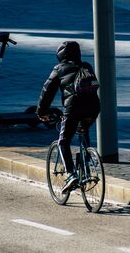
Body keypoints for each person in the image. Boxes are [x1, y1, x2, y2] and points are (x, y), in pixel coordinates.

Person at [37, 41, 100, 194]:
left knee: (63, 141)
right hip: (93, 107)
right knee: (83, 130)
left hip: (73, 108)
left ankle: (71, 174)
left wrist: (41, 112)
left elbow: (47, 91)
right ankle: (86, 166)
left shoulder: (59, 69)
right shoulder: (86, 66)